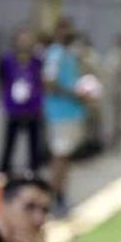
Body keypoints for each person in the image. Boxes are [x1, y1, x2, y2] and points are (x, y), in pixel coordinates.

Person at [42, 18, 88, 213]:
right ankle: (51, 201)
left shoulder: (69, 53)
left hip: (71, 112)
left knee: (65, 157)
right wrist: (73, 93)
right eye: (63, 29)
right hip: (59, 114)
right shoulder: (55, 54)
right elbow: (49, 81)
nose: (67, 33)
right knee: (59, 157)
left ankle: (62, 195)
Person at [0, 27, 46, 174]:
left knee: (34, 145)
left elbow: (42, 80)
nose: (24, 43)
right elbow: (1, 79)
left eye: (27, 39)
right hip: (14, 110)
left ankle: (34, 173)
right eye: (21, 39)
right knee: (9, 144)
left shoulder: (37, 61)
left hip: (33, 109)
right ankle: (4, 173)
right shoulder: (7, 60)